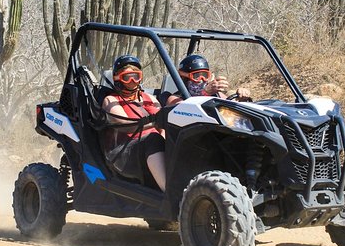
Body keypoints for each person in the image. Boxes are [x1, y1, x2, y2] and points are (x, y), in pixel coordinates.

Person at [102, 55, 167, 192]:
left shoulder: (149, 98)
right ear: (117, 78)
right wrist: (155, 123)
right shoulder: (111, 100)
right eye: (127, 77)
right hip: (121, 154)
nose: (132, 81)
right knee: (154, 139)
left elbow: (163, 126)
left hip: (150, 149)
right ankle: (169, 194)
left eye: (136, 76)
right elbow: (125, 125)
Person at [166, 54, 252, 105]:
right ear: (183, 78)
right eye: (196, 76)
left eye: (205, 75)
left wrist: (241, 96)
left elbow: (231, 103)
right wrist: (205, 93)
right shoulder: (174, 99)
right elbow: (187, 110)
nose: (202, 80)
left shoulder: (216, 95)